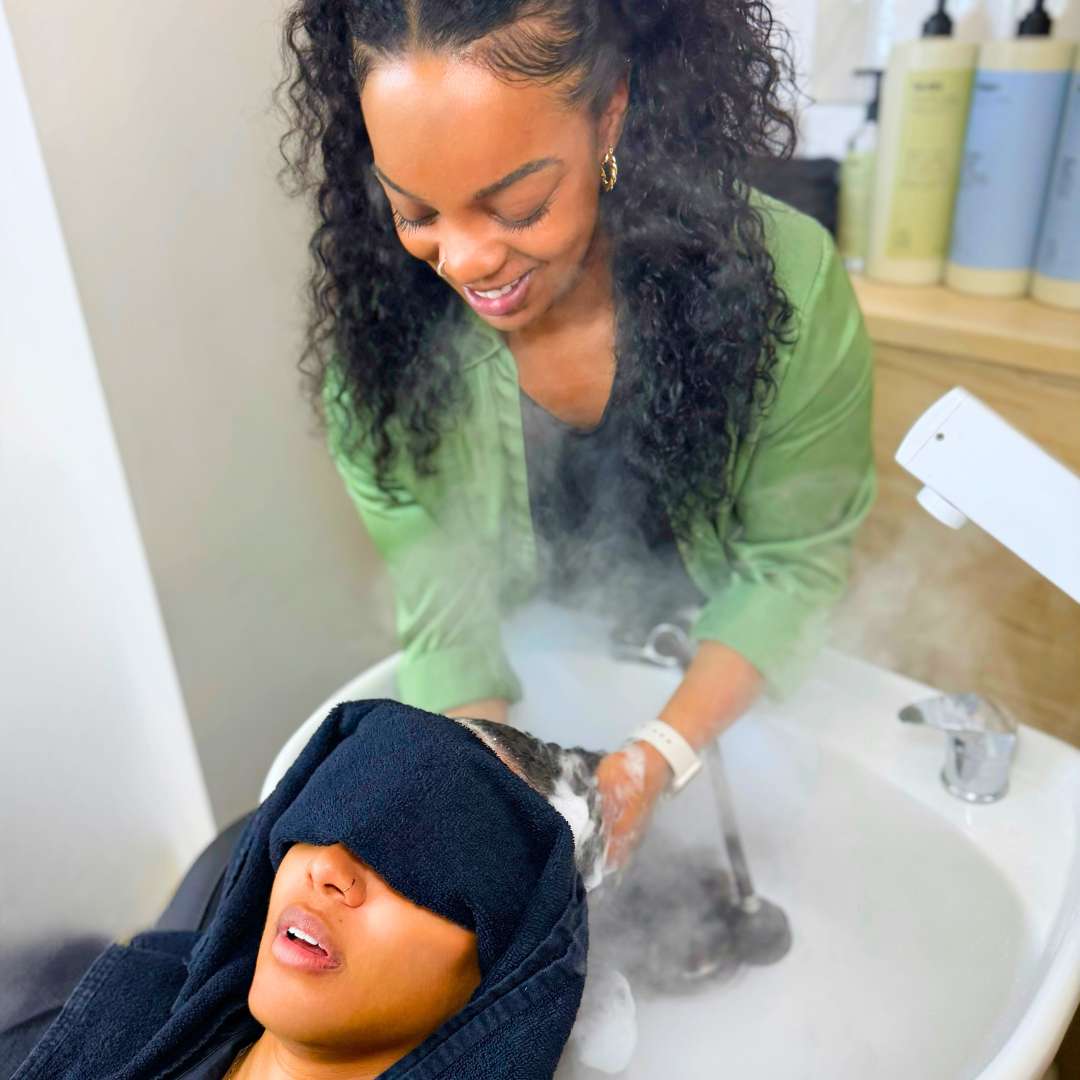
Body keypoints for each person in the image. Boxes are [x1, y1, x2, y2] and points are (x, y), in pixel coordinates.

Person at [277, 0, 875, 866]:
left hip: (739, 692)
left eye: (518, 206)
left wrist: (656, 758)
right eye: (416, 213)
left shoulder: (787, 284)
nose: (467, 261)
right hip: (539, 675)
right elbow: (447, 613)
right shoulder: (383, 348)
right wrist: (493, 776)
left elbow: (795, 563)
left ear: (611, 113)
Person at [8, 701, 588, 1079]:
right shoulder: (70, 1015)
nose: (328, 865)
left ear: (504, 972)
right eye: (328, 812)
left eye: (419, 858)